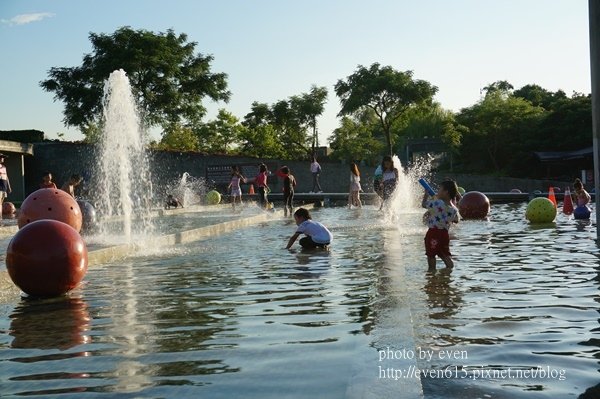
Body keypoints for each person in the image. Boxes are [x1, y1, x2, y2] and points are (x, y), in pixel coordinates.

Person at [422, 180, 459, 271]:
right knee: (444, 255)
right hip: (444, 235)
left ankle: (432, 273)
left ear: (446, 192)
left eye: (440, 189)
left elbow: (423, 204)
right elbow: (456, 220)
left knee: (431, 255)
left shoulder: (437, 203)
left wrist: (426, 195)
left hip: (433, 233)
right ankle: (449, 270)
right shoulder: (454, 209)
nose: (437, 191)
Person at [0, 154, 11, 221]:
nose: (3, 159)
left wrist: (9, 187)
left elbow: (6, 177)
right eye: (2, 157)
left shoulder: (4, 167)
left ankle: (0, 217)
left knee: (1, 203)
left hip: (4, 186)